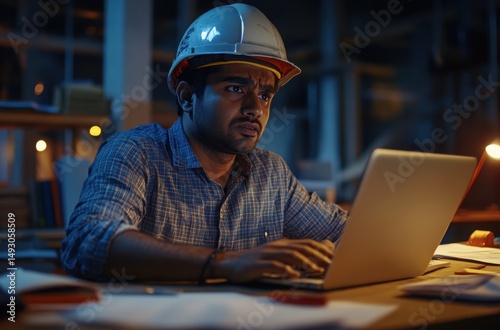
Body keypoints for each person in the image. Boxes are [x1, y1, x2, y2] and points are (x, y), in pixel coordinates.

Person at [60, 3, 347, 283]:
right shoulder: (135, 153)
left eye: (265, 95)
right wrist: (222, 264)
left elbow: (345, 233)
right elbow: (89, 241)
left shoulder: (271, 175)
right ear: (186, 96)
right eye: (236, 88)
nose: (255, 109)